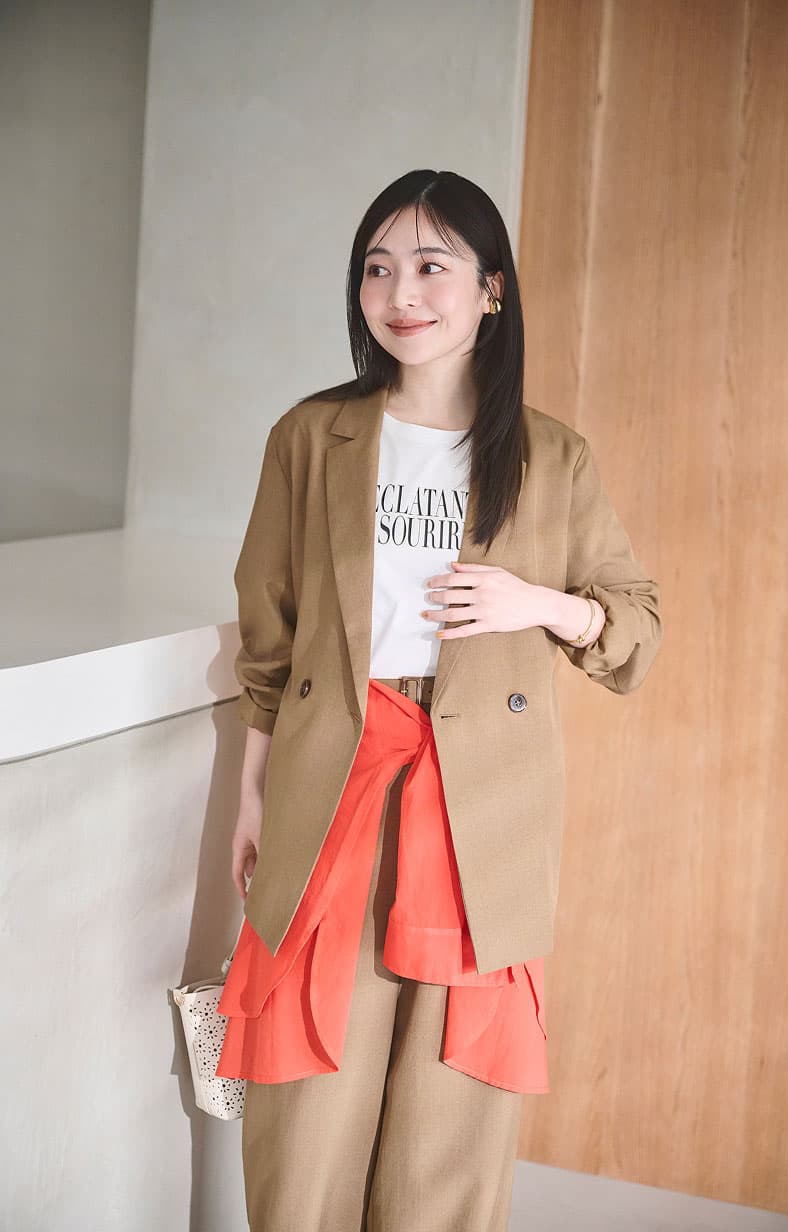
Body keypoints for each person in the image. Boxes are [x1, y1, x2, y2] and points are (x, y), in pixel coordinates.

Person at [216, 169, 663, 1232]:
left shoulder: (550, 456)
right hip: (334, 782)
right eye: (377, 268)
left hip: (483, 808)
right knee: (306, 1100)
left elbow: (635, 630)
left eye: (430, 265)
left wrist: (536, 602)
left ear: (491, 289)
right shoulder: (311, 436)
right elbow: (270, 638)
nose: (400, 292)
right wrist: (252, 796)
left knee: (450, 1117)